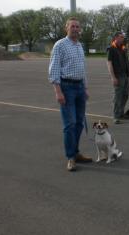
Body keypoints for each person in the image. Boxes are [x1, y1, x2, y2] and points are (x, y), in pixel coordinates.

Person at [48, 17, 92, 172]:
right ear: (66, 28)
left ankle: (76, 152)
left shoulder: (80, 46)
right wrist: (58, 91)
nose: (75, 29)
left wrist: (85, 88)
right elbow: (54, 69)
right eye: (72, 26)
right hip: (67, 88)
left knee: (80, 123)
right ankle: (70, 157)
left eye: (77, 27)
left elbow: (82, 69)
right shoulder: (60, 45)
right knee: (70, 124)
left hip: (80, 87)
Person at [107, 31, 129, 124]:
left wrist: (128, 74)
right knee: (118, 97)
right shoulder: (111, 49)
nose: (122, 38)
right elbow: (109, 63)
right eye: (121, 37)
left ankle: (121, 113)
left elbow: (126, 61)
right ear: (116, 38)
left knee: (125, 95)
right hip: (118, 75)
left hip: (125, 75)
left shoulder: (123, 48)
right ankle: (116, 116)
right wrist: (113, 77)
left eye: (123, 37)